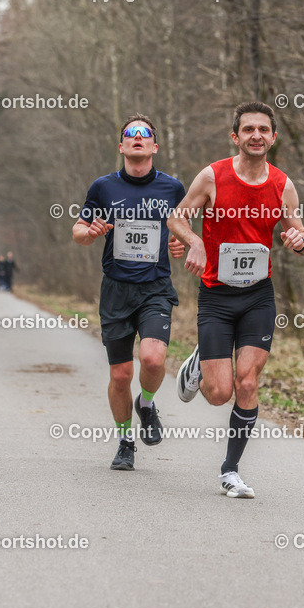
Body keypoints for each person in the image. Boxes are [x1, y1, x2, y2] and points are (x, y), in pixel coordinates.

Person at [168, 101, 304, 499]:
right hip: (216, 296)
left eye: (263, 130)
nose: (256, 136)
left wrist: (299, 239)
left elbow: (297, 229)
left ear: (273, 137)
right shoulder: (213, 176)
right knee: (219, 394)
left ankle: (230, 470)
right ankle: (198, 361)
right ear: (236, 136)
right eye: (248, 129)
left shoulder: (283, 184)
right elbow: (177, 217)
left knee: (248, 382)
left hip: (258, 297)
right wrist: (194, 240)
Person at [73, 114, 186, 471]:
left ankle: (147, 404)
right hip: (116, 290)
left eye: (144, 134)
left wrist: (183, 245)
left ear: (154, 145)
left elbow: (185, 230)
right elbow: (78, 229)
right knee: (120, 375)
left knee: (152, 359)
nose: (137, 138)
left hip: (155, 288)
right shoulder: (103, 187)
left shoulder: (173, 188)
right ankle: (125, 442)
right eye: (130, 134)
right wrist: (89, 232)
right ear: (121, 146)